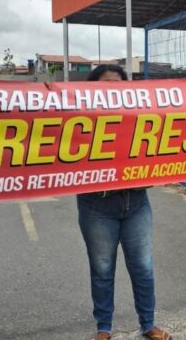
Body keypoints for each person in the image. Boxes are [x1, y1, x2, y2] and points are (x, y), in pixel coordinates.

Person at [77, 64, 170, 340]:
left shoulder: (139, 118)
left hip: (137, 203)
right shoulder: (79, 120)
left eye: (119, 84)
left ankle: (148, 323)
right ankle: (104, 327)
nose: (113, 89)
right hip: (97, 207)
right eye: (107, 84)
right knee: (102, 269)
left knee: (142, 266)